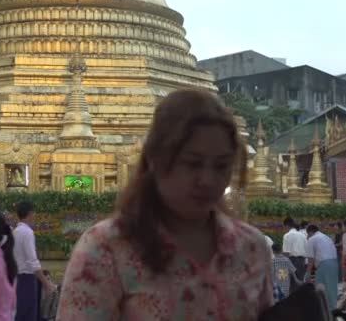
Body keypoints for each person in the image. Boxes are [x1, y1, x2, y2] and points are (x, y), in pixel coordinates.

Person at [57, 88, 273, 320]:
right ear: (155, 160)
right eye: (192, 163)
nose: (207, 180)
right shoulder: (106, 248)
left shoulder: (251, 248)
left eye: (221, 166)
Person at [14, 201, 56, 321]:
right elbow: (32, 261)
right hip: (27, 279)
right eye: (34, 213)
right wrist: (46, 283)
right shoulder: (27, 232)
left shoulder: (15, 232)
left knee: (20, 312)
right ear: (30, 213)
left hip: (18, 278)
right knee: (29, 314)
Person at [305, 224, 339, 311]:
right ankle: (333, 310)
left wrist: (308, 274)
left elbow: (310, 260)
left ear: (310, 232)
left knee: (320, 289)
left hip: (324, 264)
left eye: (307, 234)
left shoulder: (312, 239)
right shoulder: (326, 237)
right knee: (332, 289)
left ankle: (323, 311)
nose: (307, 236)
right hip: (334, 263)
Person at [282, 217, 307, 286]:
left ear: (287, 225)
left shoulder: (287, 235)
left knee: (291, 283)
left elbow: (286, 253)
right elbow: (306, 250)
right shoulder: (303, 235)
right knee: (300, 282)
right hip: (302, 261)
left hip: (292, 261)